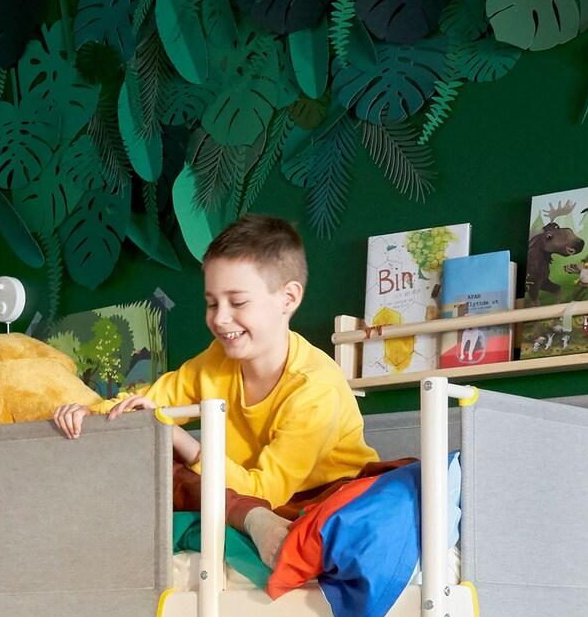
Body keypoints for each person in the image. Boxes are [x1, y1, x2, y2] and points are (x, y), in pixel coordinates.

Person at [53, 214, 376, 568]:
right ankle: (244, 518)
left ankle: (252, 520)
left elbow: (265, 490)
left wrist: (180, 439)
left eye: (237, 302)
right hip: (237, 492)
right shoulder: (217, 360)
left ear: (288, 298)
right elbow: (153, 399)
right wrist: (92, 413)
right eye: (212, 303)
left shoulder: (314, 388)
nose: (220, 319)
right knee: (151, 459)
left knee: (176, 455)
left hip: (315, 498)